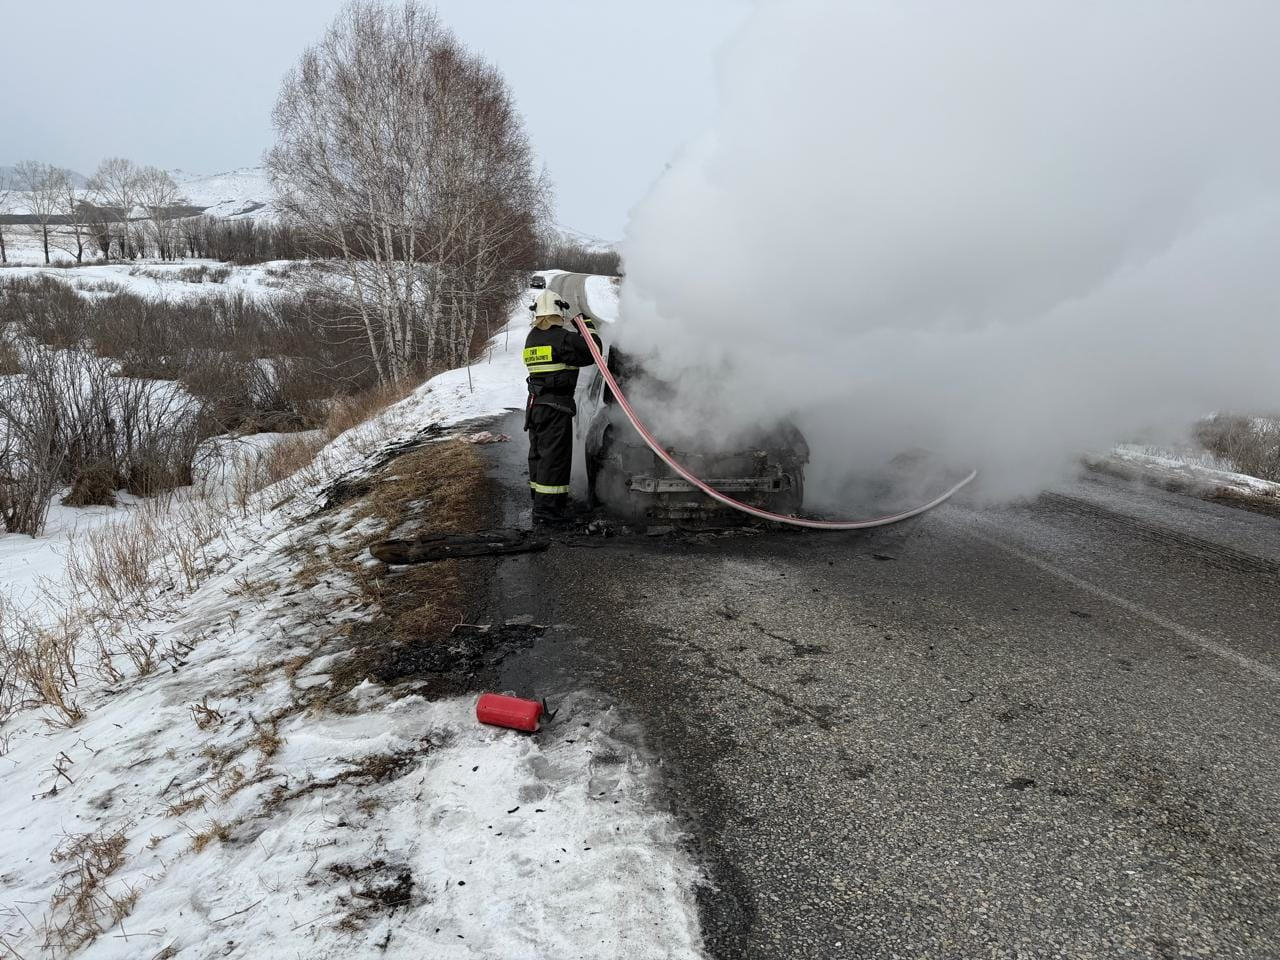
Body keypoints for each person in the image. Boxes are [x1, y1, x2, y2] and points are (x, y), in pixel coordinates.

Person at [523, 289, 602, 523]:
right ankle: (548, 512)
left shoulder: (532, 337)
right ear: (559, 312)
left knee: (538, 454)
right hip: (555, 407)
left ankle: (539, 499)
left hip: (536, 405)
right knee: (554, 459)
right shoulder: (561, 338)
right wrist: (586, 324)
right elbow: (593, 351)